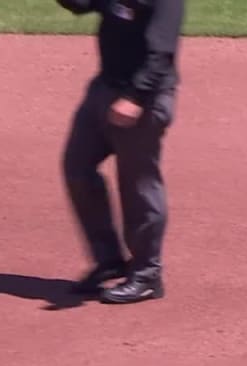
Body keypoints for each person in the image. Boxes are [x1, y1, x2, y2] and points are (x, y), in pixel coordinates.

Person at [56, 0, 185, 303]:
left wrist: (136, 97)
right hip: (104, 89)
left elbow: (162, 53)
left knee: (138, 184)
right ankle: (109, 259)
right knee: (77, 167)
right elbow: (80, 4)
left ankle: (147, 274)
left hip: (144, 100)